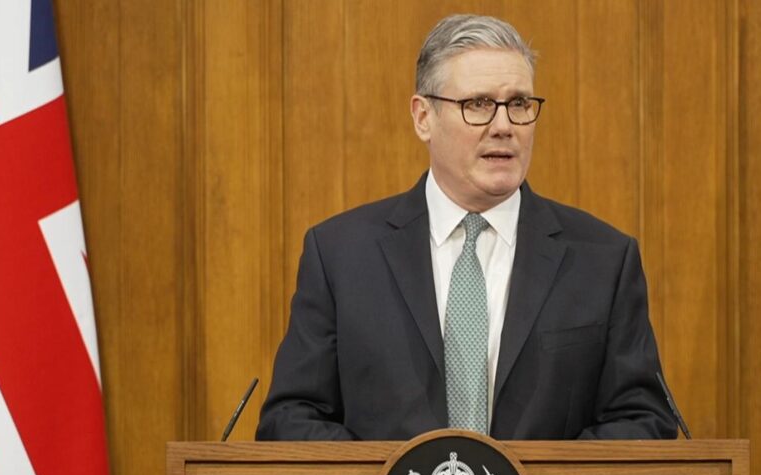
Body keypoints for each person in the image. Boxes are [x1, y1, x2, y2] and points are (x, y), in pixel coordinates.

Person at [256, 14, 678, 442]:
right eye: (478, 104)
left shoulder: (602, 260)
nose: (504, 126)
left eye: (519, 104)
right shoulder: (341, 256)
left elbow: (642, 421)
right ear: (423, 117)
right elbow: (290, 419)